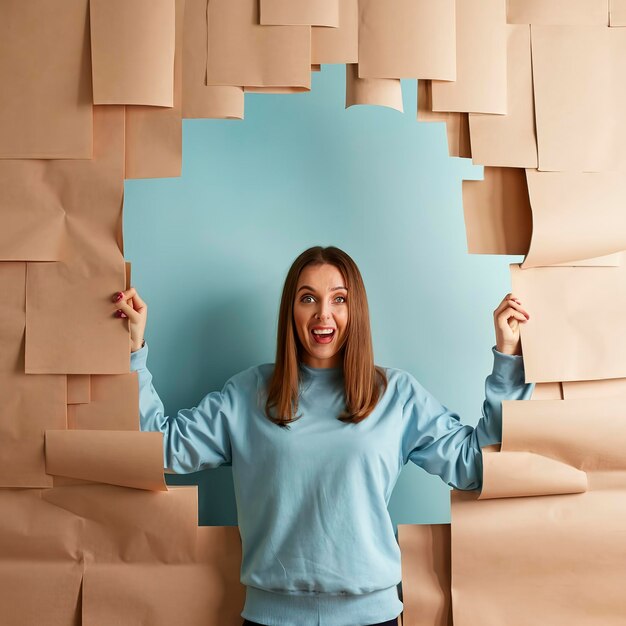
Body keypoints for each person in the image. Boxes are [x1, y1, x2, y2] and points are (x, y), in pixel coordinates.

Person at [112, 245, 533, 626]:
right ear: (291, 311)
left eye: (339, 299)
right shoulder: (247, 394)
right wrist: (134, 352)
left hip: (373, 618)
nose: (323, 314)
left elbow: (477, 466)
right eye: (308, 298)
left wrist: (508, 361)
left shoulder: (396, 395)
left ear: (356, 311)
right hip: (270, 618)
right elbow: (158, 449)